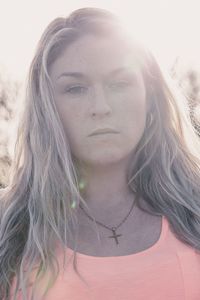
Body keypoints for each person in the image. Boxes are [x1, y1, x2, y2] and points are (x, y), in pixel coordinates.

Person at [1, 6, 200, 300]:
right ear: (47, 106)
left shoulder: (194, 210)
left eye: (119, 83)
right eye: (76, 88)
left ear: (150, 96)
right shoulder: (8, 228)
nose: (101, 107)